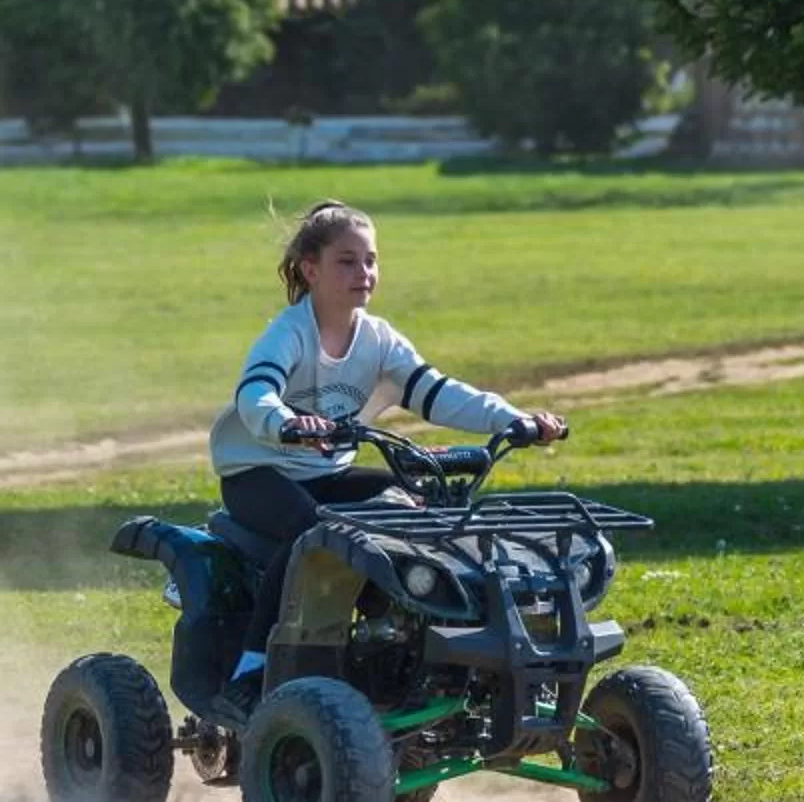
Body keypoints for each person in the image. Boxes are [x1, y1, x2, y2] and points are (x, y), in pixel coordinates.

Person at [208, 199, 566, 721]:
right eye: (347, 261)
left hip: (329, 472)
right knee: (313, 535)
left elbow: (439, 392)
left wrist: (514, 419)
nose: (364, 273)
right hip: (259, 472)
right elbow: (255, 394)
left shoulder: (378, 339)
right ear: (312, 270)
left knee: (413, 513)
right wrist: (285, 422)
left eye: (371, 260)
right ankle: (250, 670)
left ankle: (394, 653)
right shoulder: (289, 333)